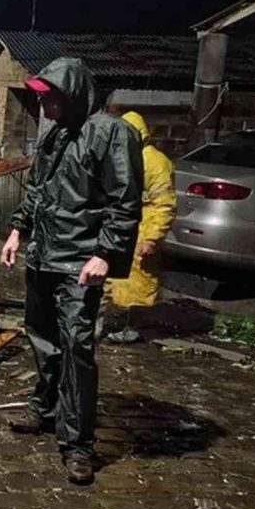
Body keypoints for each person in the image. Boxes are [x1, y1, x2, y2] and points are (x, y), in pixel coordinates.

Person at [0, 57, 143, 484]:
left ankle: (78, 444)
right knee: (42, 339)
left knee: (76, 348)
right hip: (44, 256)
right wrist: (17, 230)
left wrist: (105, 253)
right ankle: (44, 409)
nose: (44, 106)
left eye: (51, 98)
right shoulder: (56, 134)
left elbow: (125, 201)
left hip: (79, 264)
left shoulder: (110, 134)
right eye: (42, 99)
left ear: (74, 94)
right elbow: (38, 189)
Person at [105, 111, 177, 343]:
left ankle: (135, 327)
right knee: (108, 279)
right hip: (120, 230)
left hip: (141, 234)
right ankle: (104, 322)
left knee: (140, 284)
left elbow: (164, 204)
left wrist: (152, 238)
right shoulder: (120, 158)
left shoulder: (155, 163)